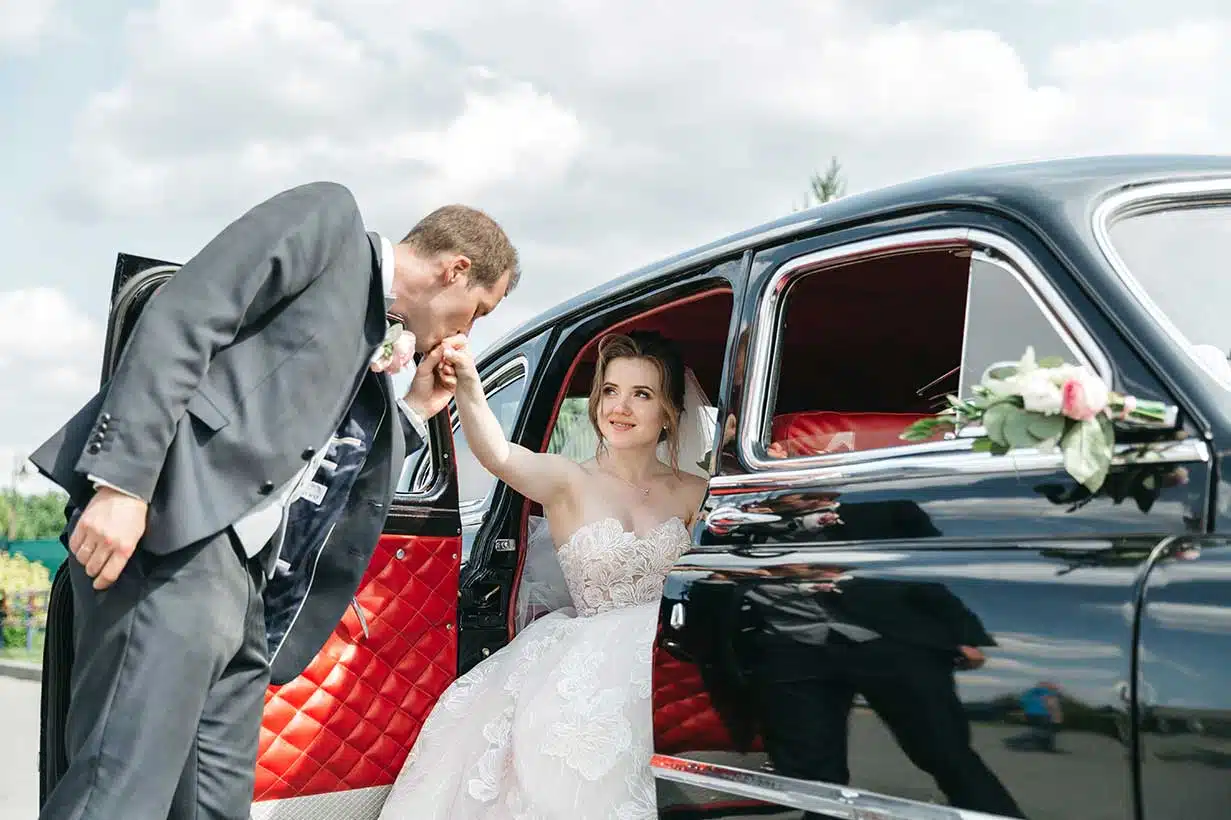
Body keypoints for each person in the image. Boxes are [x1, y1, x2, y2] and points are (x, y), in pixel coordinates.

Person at [28, 181, 518, 820]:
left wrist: (418, 407)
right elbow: (184, 315)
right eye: (477, 309)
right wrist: (124, 484)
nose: (468, 330)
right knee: (120, 789)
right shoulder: (331, 222)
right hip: (177, 539)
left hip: (247, 591)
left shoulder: (377, 339)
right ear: (457, 269)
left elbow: (335, 467)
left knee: (215, 805)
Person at [378, 330, 707, 820]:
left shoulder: (696, 491)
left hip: (671, 661)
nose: (620, 407)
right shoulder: (567, 479)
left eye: (642, 395)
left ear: (668, 414)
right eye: (611, 391)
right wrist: (468, 385)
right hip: (589, 663)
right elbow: (498, 455)